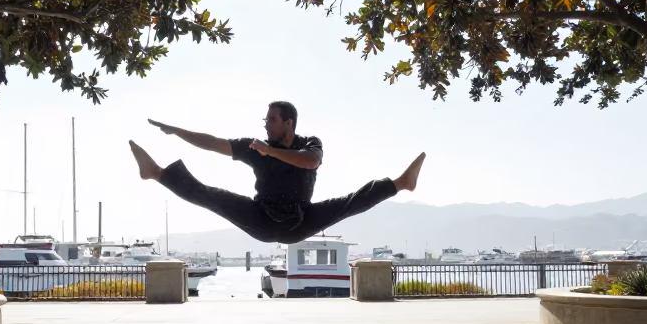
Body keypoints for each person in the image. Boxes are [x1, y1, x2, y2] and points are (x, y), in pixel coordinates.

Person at [129, 100, 425, 244]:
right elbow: (213, 143)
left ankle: (401, 183)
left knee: (349, 202)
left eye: (271, 119)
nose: (266, 124)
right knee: (213, 196)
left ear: (289, 122)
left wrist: (269, 152)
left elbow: (310, 162)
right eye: (266, 119)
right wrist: (178, 131)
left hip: (300, 220)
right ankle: (156, 172)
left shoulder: (309, 143)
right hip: (261, 218)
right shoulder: (254, 145)